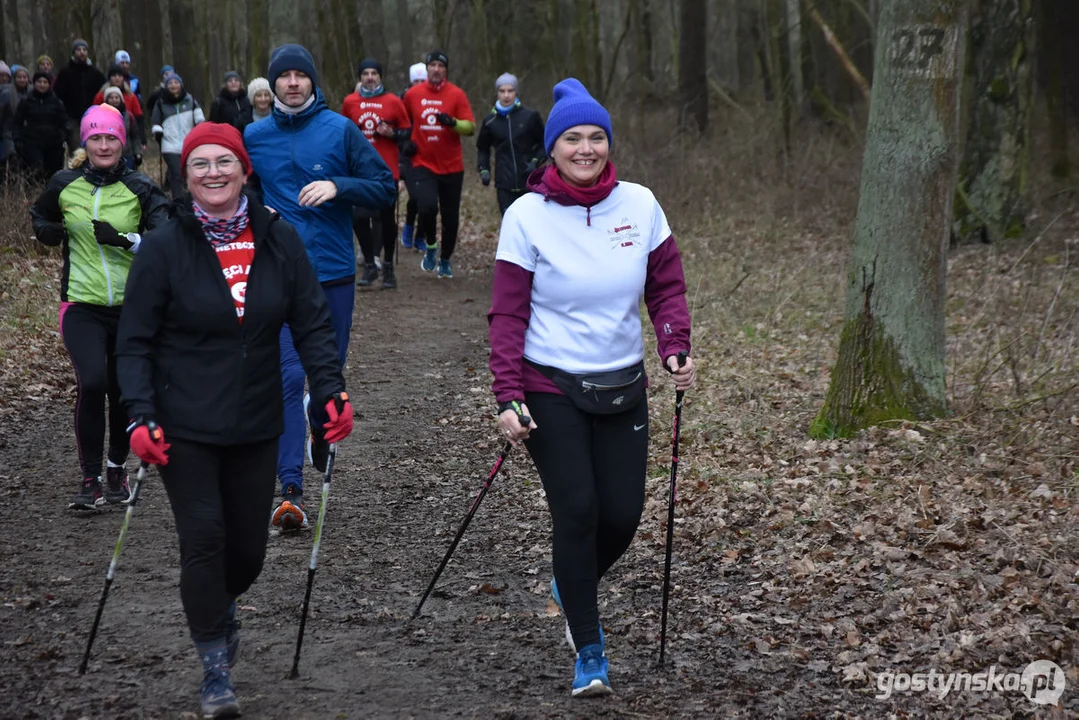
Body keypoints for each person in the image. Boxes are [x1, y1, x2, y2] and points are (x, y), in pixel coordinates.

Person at [116, 122, 353, 718]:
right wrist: (139, 415)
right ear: (185, 175)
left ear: (246, 171)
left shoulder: (280, 239)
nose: (213, 173)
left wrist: (330, 390)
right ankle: (215, 668)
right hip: (182, 424)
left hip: (254, 419)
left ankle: (218, 612)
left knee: (246, 553)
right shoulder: (166, 245)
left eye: (225, 162)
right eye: (200, 164)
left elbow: (313, 325)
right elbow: (135, 341)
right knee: (204, 540)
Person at [487, 78, 695, 697]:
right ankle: (591, 651)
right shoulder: (526, 216)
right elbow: (506, 314)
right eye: (572, 138)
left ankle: (568, 581)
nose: (585, 148)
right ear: (551, 148)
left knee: (623, 516)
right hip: (550, 385)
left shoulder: (641, 204)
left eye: (596, 137)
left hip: (624, 384)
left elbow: (666, 287)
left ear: (610, 143)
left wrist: (674, 343)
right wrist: (507, 393)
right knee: (577, 511)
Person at [244, 43, 394, 530]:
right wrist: (255, 210)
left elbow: (386, 188)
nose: (292, 83)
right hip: (277, 274)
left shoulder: (341, 130)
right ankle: (290, 490)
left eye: (299, 76)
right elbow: (234, 190)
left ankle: (318, 428)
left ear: (312, 81)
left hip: (332, 273)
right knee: (287, 377)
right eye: (283, 76)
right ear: (272, 85)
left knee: (326, 373)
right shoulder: (254, 136)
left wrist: (339, 187)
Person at [29, 104, 169, 511]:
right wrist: (46, 231)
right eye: (96, 138)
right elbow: (40, 213)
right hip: (81, 304)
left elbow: (163, 237)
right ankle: (89, 479)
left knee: (123, 390)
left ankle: (114, 468)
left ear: (121, 141)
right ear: (85, 142)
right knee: (93, 382)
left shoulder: (140, 186)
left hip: (132, 306)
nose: (104, 145)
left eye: (111, 137)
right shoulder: (64, 183)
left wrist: (126, 240)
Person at [402, 50, 474, 278]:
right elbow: (402, 124)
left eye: (440, 66)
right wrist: (406, 143)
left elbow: (470, 127)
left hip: (452, 167)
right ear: (426, 69)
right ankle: (430, 245)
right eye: (432, 65)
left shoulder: (457, 94)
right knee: (426, 207)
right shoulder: (413, 95)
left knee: (451, 219)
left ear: (445, 70)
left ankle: (445, 259)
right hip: (423, 163)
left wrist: (453, 123)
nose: (436, 69)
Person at [340, 57, 410, 289]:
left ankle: (388, 266)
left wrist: (392, 134)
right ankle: (370, 263)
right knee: (359, 218)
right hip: (359, 172)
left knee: (386, 220)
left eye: (374, 73)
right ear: (360, 78)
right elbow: (341, 133)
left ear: (380, 76)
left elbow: (408, 134)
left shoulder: (393, 101)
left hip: (386, 170)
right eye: (365, 74)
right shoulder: (350, 102)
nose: (369, 77)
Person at [477, 73, 545, 216]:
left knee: (530, 224)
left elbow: (544, 143)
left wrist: (535, 161)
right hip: (504, 185)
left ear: (516, 92)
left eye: (510, 91)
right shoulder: (490, 121)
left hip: (529, 181)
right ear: (497, 93)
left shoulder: (530, 116)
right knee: (509, 224)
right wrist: (484, 170)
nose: (506, 95)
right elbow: (483, 148)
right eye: (502, 91)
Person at [151, 72, 204, 198]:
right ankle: (178, 202)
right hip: (169, 144)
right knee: (176, 173)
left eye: (176, 82)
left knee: (190, 172)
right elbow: (155, 121)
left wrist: (200, 129)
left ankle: (193, 199)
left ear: (181, 85)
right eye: (170, 83)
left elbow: (200, 119)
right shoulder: (160, 103)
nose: (173, 85)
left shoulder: (191, 100)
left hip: (189, 143)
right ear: (166, 86)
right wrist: (158, 132)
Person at [52, 40, 107, 151]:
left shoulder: (95, 73)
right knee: (77, 149)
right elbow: (57, 95)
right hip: (72, 117)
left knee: (92, 147)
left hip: (92, 117)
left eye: (84, 50)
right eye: (78, 50)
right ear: (73, 52)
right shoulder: (65, 72)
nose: (82, 52)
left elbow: (103, 93)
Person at [14, 73, 69, 182]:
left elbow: (64, 121)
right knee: (35, 171)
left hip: (53, 143)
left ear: (49, 84)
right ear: (34, 83)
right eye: (39, 82)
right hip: (32, 141)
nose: (42, 85)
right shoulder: (26, 101)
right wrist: (18, 140)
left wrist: (64, 136)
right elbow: (17, 123)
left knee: (52, 173)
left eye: (45, 82)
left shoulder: (56, 102)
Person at [399, 62, 428, 253]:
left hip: (429, 156)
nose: (418, 84)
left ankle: (421, 236)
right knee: (416, 197)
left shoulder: (432, 100)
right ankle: (409, 226)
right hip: (408, 156)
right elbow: (397, 131)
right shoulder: (402, 101)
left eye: (422, 80)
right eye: (415, 80)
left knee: (428, 200)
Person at [93, 65, 144, 146]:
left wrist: (142, 139)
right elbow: (94, 116)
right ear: (109, 78)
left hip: (128, 134)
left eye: (120, 75)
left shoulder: (130, 96)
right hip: (105, 133)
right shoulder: (100, 96)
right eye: (114, 75)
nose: (117, 78)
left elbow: (139, 117)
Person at [103, 86, 141, 170]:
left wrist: (138, 152)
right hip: (108, 154)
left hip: (127, 154)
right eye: (111, 98)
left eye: (116, 97)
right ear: (106, 100)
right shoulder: (101, 116)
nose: (114, 100)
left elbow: (135, 135)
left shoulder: (129, 116)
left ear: (121, 99)